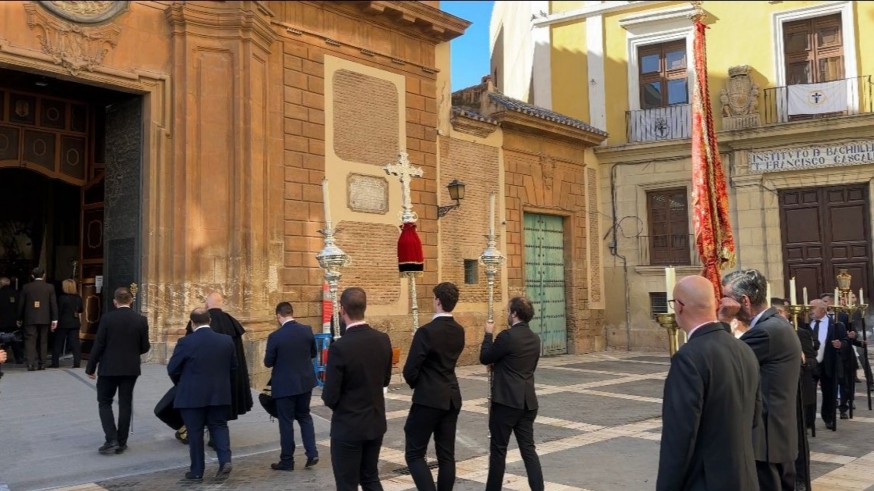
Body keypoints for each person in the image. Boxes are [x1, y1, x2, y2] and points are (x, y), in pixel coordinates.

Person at [657, 275, 760, 491]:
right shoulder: (744, 349)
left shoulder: (689, 358)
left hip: (705, 482)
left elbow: (679, 439)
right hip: (744, 478)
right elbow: (755, 417)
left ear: (679, 307)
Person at [719, 269, 801, 491]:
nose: (722, 302)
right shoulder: (776, 324)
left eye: (726, 297)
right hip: (775, 435)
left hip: (766, 438)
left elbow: (723, 362)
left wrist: (723, 321)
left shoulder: (766, 331)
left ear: (744, 301)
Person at [321, 287, 393, 491]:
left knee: (347, 483)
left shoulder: (340, 347)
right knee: (370, 478)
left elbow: (330, 395)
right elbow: (385, 380)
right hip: (375, 421)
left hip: (348, 426)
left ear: (342, 310)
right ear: (365, 307)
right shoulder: (382, 339)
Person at [403, 282, 465, 491]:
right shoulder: (459, 330)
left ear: (437, 300)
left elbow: (410, 370)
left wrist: (420, 383)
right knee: (446, 455)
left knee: (414, 453)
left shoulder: (426, 332)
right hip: (451, 396)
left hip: (428, 398)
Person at [480, 296, 544, 491]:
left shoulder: (507, 336)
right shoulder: (535, 338)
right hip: (527, 402)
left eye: (508, 310)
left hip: (506, 401)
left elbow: (485, 357)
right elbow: (526, 366)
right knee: (528, 450)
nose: (507, 314)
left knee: (498, 451)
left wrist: (488, 335)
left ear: (514, 313)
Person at [168, 307, 236, 481]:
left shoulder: (185, 342)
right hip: (219, 394)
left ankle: (197, 471)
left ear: (192, 323)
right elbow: (233, 367)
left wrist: (183, 382)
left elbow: (172, 368)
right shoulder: (226, 340)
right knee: (220, 427)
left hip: (192, 395)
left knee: (195, 432)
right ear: (210, 321)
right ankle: (225, 461)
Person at [175, 292, 253, 444]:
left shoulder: (198, 321)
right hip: (224, 377)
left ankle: (194, 435)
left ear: (207, 304)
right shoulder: (231, 322)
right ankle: (218, 442)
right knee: (219, 411)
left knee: (200, 408)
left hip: (199, 376)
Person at [85, 287, 151, 455]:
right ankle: (121, 441)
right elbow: (145, 347)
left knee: (105, 402)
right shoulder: (140, 320)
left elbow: (99, 344)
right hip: (130, 368)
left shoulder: (107, 318)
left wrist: (90, 367)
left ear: (115, 301)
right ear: (131, 300)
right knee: (125, 403)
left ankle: (111, 438)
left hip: (109, 368)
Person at [264, 301, 319, 471]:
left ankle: (287, 461)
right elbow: (313, 353)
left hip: (285, 386)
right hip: (305, 382)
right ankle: (312, 453)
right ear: (291, 313)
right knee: (304, 416)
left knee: (286, 422)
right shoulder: (307, 330)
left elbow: (268, 362)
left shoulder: (275, 336)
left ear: (278, 316)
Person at [807, 299, 847, 427]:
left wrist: (841, 344)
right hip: (810, 364)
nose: (810, 310)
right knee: (809, 392)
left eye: (813, 308)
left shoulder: (836, 324)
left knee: (829, 392)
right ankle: (809, 421)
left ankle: (828, 417)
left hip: (828, 363)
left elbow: (845, 340)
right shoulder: (805, 324)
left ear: (823, 310)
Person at [17, 267, 57, 370]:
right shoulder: (50, 287)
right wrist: (54, 319)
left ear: (32, 276)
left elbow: (21, 304)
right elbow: (53, 304)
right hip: (45, 317)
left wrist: (19, 318)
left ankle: (30, 363)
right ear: (44, 275)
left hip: (30, 318)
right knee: (43, 340)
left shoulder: (26, 287)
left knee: (30, 340)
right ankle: (42, 363)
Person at [51, 279, 83, 368]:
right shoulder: (78, 298)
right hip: (75, 322)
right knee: (75, 343)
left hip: (63, 323)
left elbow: (59, 311)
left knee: (58, 343)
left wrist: (54, 322)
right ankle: (77, 362)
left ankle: (55, 363)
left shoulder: (62, 298)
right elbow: (81, 309)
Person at [0, 277, 23, 364]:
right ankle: (19, 358)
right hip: (13, 321)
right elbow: (19, 307)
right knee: (15, 340)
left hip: (1, 321)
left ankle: (2, 358)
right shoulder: (16, 293)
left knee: (2, 340)